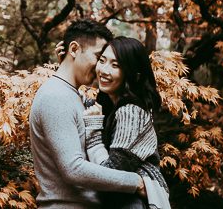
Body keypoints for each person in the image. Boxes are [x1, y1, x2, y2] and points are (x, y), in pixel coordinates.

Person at [29, 19, 146, 208]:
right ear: (74, 49)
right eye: (99, 58)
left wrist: (66, 64)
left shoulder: (70, 94)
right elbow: (73, 169)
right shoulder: (56, 96)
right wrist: (136, 182)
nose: (101, 67)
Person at [83, 36, 171, 209]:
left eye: (115, 65)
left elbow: (110, 173)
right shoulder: (113, 106)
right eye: (102, 60)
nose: (104, 70)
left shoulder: (130, 112)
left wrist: (93, 128)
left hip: (132, 203)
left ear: (133, 74)